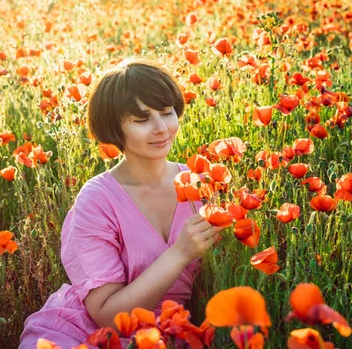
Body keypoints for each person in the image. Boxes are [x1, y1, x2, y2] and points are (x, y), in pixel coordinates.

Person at [19, 58, 224, 348]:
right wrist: (180, 253)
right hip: (90, 333)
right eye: (142, 120)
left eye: (166, 113)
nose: (161, 128)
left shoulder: (203, 183)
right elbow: (106, 315)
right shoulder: (96, 200)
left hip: (173, 331)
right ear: (114, 129)